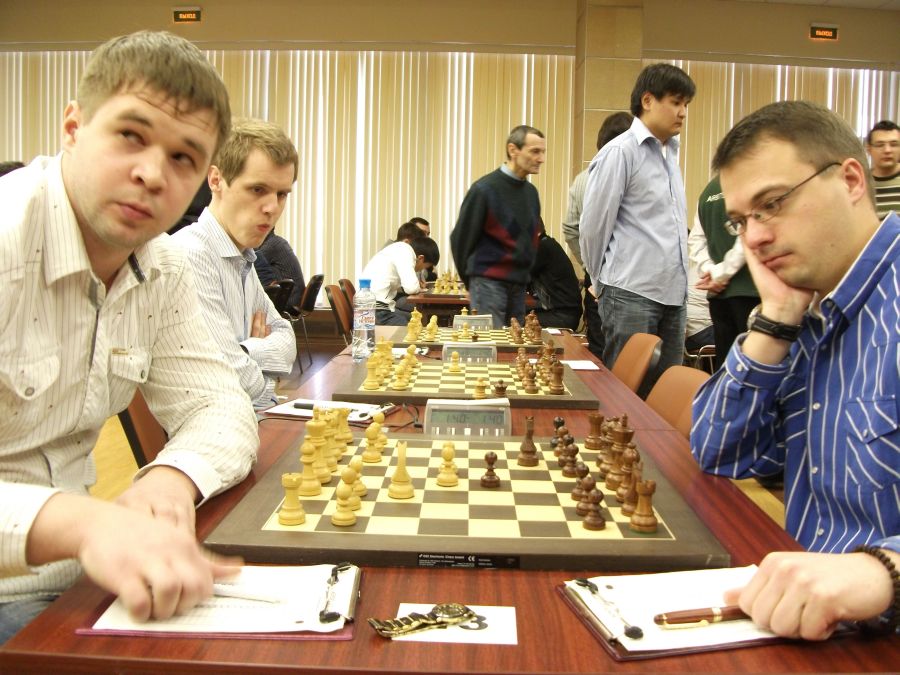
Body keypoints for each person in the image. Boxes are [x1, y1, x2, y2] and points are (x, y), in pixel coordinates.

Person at [0, 30, 259, 644]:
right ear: (73, 128)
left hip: (81, 581)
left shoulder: (159, 265)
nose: (151, 174)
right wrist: (84, 524)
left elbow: (219, 406)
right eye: (131, 136)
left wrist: (174, 476)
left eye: (183, 158)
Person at [691, 100, 899, 640]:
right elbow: (719, 452)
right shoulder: (806, 306)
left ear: (850, 180)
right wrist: (775, 320)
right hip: (796, 623)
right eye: (741, 221)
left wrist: (886, 571)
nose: (754, 239)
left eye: (772, 204)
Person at [580, 64, 695, 395]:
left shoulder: (670, 154)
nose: (683, 112)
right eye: (675, 102)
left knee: (665, 395)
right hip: (630, 291)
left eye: (686, 104)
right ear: (648, 100)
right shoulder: (620, 151)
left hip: (673, 293)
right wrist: (600, 282)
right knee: (626, 397)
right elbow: (593, 227)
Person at [172, 118, 297, 410]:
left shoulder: (243, 257)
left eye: (282, 194)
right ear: (216, 180)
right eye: (257, 190)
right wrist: (267, 374)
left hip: (249, 418)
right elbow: (232, 379)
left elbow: (288, 342)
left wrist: (246, 351)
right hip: (211, 431)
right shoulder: (190, 255)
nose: (272, 208)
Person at [450, 125, 545, 328]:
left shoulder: (531, 193)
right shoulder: (484, 189)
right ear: (513, 150)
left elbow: (531, 241)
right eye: (535, 151)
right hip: (487, 283)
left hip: (518, 284)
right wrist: (471, 282)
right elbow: (460, 239)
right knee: (490, 342)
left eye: (543, 152)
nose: (541, 159)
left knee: (513, 343)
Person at [562, 112, 633, 358]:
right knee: (629, 353)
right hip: (629, 279)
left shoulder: (582, 179)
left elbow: (570, 228)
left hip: (596, 277)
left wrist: (589, 264)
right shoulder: (636, 176)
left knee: (600, 348)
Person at [688, 175, 760, 369]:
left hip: (718, 295)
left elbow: (696, 239)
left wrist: (710, 270)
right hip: (748, 289)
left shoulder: (707, 191)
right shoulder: (748, 182)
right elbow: (749, 233)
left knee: (725, 366)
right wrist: (722, 273)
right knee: (753, 365)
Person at [362, 236, 440, 325]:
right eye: (425, 267)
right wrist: (418, 287)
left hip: (375, 306)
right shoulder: (406, 253)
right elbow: (411, 288)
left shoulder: (399, 249)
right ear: (421, 258)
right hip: (376, 310)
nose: (421, 270)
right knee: (414, 327)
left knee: (416, 319)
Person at [529, 223, 582, 330]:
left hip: (562, 316)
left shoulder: (542, 247)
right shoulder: (546, 244)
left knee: (515, 318)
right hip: (559, 312)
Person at [256, 229, 306, 312]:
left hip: (288, 299)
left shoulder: (271, 246)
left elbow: (251, 264)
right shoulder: (278, 241)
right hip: (295, 296)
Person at [865, 120, 900, 220]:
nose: (887, 150)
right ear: (869, 149)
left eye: (893, 144)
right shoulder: (861, 182)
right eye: (880, 145)